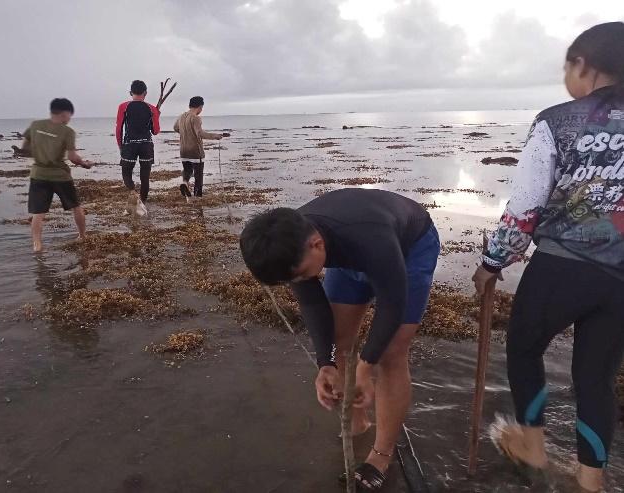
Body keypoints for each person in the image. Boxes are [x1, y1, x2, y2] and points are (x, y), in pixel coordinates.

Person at [472, 22, 624, 493]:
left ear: (585, 66)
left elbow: (524, 207)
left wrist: (492, 262)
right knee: (597, 377)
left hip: (563, 266)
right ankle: (590, 482)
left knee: (523, 348)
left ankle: (533, 445)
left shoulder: (558, 119)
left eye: (569, 67)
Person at [239, 188, 440, 491]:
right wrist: (326, 363)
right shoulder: (293, 248)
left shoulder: (368, 238)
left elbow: (392, 305)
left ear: (316, 244)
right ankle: (358, 422)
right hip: (348, 254)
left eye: (299, 275)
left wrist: (367, 366)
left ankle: (381, 455)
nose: (297, 283)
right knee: (340, 341)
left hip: (408, 247)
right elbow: (312, 304)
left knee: (391, 354)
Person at [18, 98, 92, 253]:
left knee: (38, 213)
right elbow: (72, 157)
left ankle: (37, 245)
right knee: (76, 206)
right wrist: (84, 163)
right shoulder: (67, 132)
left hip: (38, 174)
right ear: (65, 113)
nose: (69, 119)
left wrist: (41, 153)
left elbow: (24, 150)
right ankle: (82, 236)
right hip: (60, 176)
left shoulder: (35, 125)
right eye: (69, 115)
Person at [115, 80, 161, 214]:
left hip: (130, 144)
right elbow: (156, 131)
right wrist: (157, 115)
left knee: (126, 172)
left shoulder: (123, 106)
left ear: (131, 92)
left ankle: (133, 192)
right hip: (146, 144)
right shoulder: (152, 108)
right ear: (145, 93)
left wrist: (120, 146)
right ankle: (142, 203)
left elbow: (119, 129)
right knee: (145, 176)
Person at [173, 96, 230, 198]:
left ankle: (184, 182)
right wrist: (215, 136)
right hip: (195, 151)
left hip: (183, 151)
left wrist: (186, 133)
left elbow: (176, 128)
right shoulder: (196, 118)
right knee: (198, 176)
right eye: (201, 108)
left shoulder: (181, 116)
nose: (201, 110)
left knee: (187, 170)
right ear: (200, 107)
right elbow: (200, 133)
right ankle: (198, 198)